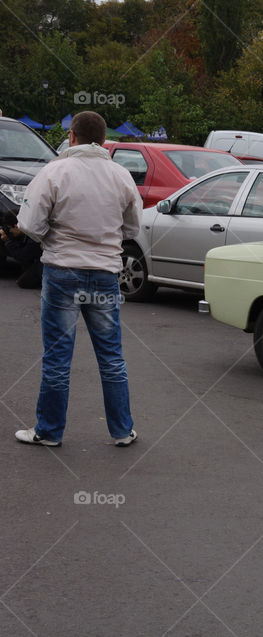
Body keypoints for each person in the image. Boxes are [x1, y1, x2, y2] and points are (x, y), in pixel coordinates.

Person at [15, 111, 141, 447]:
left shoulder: (54, 171)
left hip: (62, 273)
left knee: (57, 356)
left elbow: (29, 223)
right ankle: (121, 430)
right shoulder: (121, 175)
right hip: (104, 274)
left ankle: (49, 431)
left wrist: (49, 237)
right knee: (112, 356)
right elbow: (132, 228)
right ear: (102, 140)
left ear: (71, 136)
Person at [1, 210, 43, 288]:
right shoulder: (25, 229)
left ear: (17, 226)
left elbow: (23, 256)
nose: (9, 231)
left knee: (24, 283)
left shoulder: (33, 236)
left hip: (44, 261)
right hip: (35, 257)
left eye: (10, 228)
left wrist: (9, 242)